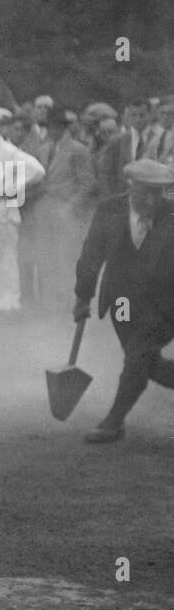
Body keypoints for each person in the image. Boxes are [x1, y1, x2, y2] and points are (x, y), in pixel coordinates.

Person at [73, 159, 174, 443]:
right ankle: (114, 422)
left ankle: (113, 422)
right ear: (132, 186)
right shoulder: (109, 209)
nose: (153, 200)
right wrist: (83, 296)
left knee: (138, 357)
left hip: (165, 305)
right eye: (146, 192)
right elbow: (92, 256)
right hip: (122, 303)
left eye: (160, 192)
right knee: (142, 360)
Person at [0, 111, 45, 315]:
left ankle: (10, 300)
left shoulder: (9, 151)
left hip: (2, 206)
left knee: (4, 256)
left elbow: (37, 170)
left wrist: (13, 186)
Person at [36, 107, 96, 314]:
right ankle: (50, 305)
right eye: (49, 126)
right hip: (46, 209)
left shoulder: (77, 149)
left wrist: (70, 206)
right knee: (47, 258)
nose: (52, 130)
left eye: (56, 126)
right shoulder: (44, 148)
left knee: (66, 259)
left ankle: (69, 304)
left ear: (64, 127)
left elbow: (87, 184)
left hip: (66, 210)